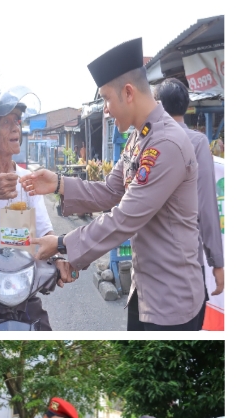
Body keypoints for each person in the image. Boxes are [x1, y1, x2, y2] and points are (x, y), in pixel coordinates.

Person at [21, 38, 204, 331]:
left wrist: (62, 244)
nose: (105, 109)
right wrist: (58, 183)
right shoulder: (139, 138)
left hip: (173, 299)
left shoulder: (166, 143)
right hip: (144, 289)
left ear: (128, 92)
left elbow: (124, 218)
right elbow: (110, 191)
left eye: (106, 98)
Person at [0, 88, 67, 331]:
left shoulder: (28, 179)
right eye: (6, 122)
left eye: (17, 121)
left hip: (21, 290)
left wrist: (58, 256)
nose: (16, 127)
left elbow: (44, 232)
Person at [153, 78, 224, 327]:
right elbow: (206, 206)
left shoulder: (147, 141)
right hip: (186, 267)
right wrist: (217, 262)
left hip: (150, 271)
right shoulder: (196, 142)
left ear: (158, 106)